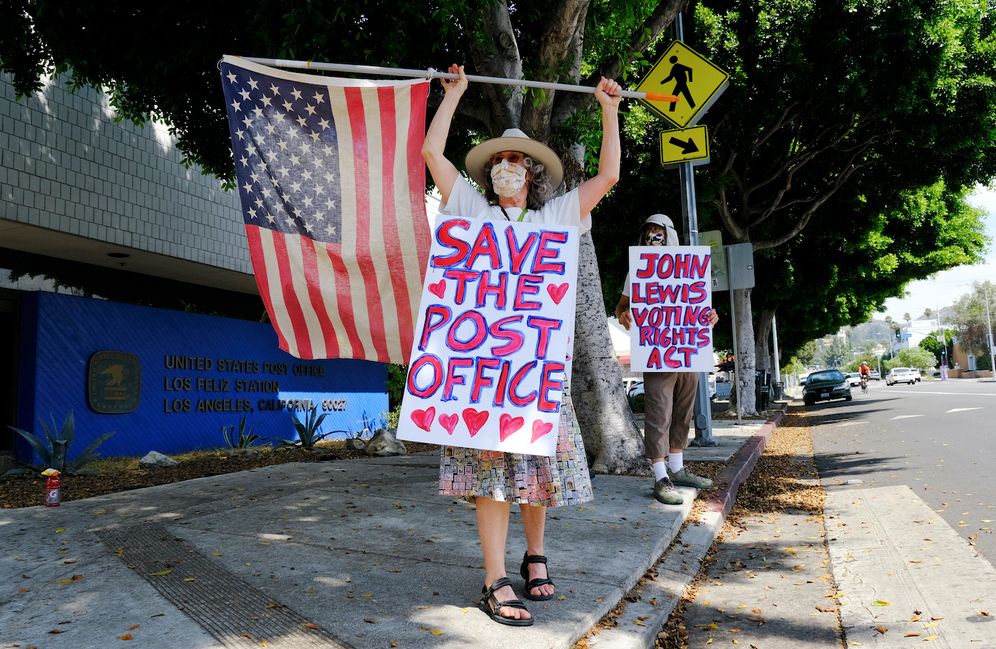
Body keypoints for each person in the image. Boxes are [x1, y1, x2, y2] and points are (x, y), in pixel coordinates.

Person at [421, 64, 622, 626]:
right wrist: (454, 97)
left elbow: (607, 177)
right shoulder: (470, 211)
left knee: (538, 472)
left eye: (515, 160)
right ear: (489, 176)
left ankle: (535, 556)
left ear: (531, 173)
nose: (506, 166)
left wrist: (609, 111)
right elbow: (432, 155)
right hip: (483, 374)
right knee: (491, 472)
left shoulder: (554, 219)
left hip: (537, 372)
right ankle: (494, 578)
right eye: (498, 162)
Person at [614, 214, 718, 506]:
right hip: (656, 351)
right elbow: (622, 306)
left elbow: (702, 307)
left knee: (683, 410)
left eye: (658, 234)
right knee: (659, 411)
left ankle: (677, 467)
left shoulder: (689, 269)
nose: (652, 240)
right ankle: (661, 476)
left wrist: (711, 317)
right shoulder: (638, 270)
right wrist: (625, 315)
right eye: (648, 235)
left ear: (669, 235)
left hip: (686, 351)